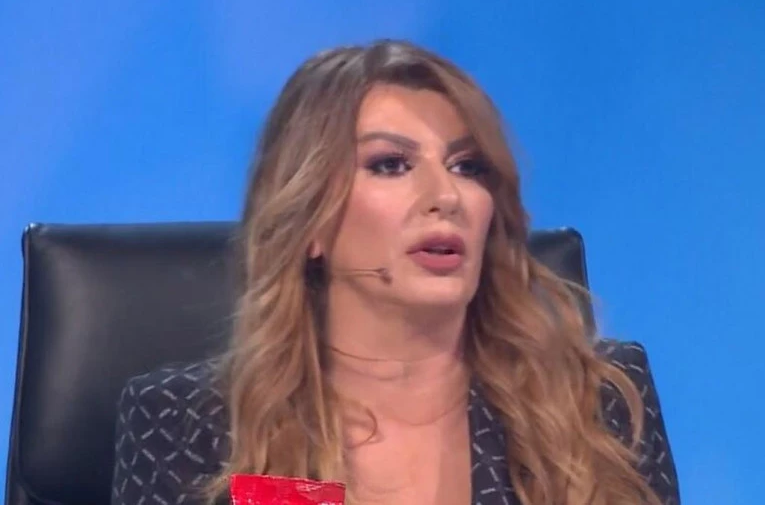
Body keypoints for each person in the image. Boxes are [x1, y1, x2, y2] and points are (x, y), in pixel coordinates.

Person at [110, 39, 680, 505]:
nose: (446, 196)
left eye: (467, 166)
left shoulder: (594, 401)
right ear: (309, 222)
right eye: (390, 164)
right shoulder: (190, 424)